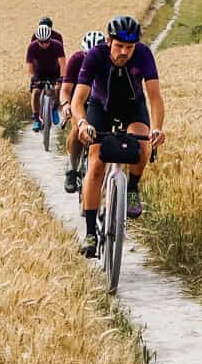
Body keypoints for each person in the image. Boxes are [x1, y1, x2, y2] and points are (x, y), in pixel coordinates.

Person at [70, 14, 164, 256]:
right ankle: (90, 233)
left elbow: (155, 97)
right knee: (96, 165)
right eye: (119, 46)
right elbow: (78, 100)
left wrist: (157, 128)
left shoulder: (143, 55)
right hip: (101, 107)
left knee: (141, 147)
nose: (124, 52)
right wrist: (82, 124)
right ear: (109, 41)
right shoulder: (95, 56)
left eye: (129, 47)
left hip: (133, 107)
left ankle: (132, 187)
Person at [60, 29, 104, 192]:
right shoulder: (76, 60)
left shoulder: (109, 61)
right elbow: (66, 89)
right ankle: (72, 170)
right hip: (80, 102)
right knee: (78, 130)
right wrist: (65, 105)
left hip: (100, 102)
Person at [26, 17, 66, 131]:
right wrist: (33, 77)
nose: (44, 44)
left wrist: (61, 78)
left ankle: (54, 108)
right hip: (40, 71)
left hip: (54, 70)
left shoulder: (57, 43)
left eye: (47, 41)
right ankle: (36, 119)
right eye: (41, 42)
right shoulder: (32, 46)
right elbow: (29, 64)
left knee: (57, 89)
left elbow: (63, 63)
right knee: (36, 92)